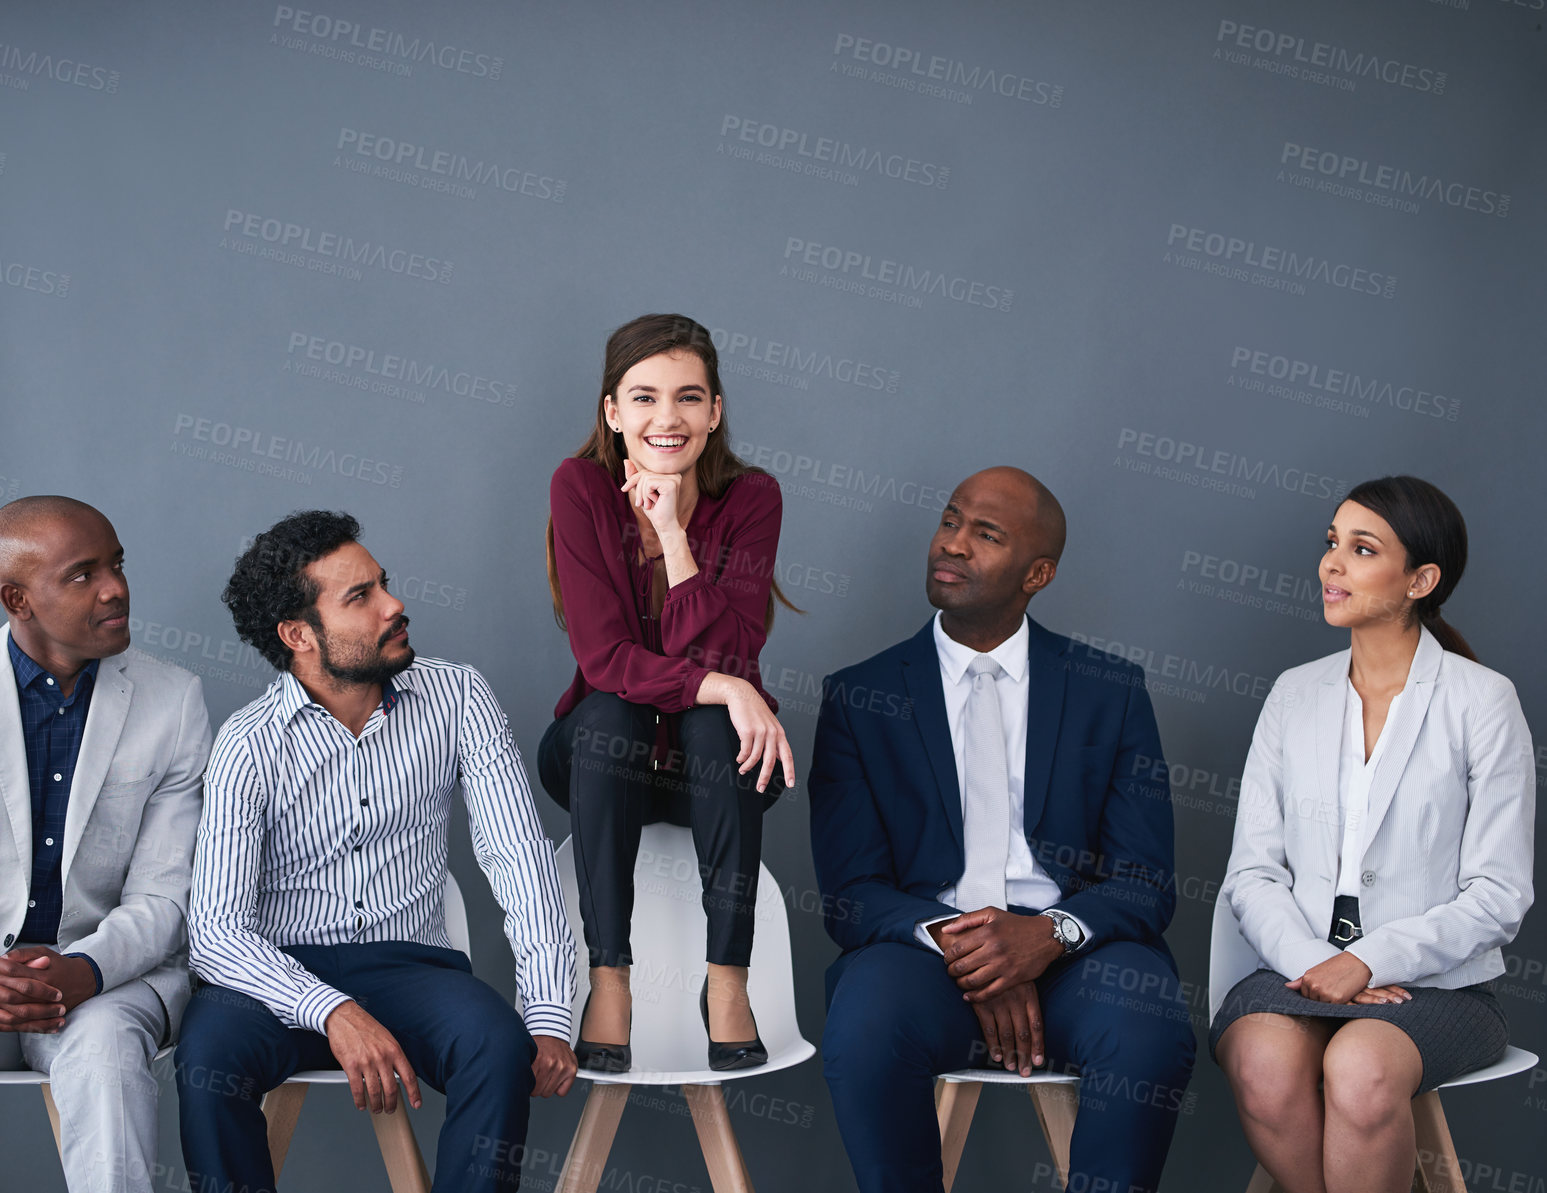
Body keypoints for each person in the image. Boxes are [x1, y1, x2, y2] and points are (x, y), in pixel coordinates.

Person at [811, 467, 1195, 1193]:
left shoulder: (1108, 691)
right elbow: (851, 896)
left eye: (984, 534)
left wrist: (1046, 935)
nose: (951, 544)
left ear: (1037, 572)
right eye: (950, 520)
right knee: (862, 1031)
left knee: (1149, 1034)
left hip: (1077, 951)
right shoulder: (859, 696)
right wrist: (973, 948)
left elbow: (1144, 882)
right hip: (922, 949)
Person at [176, 510, 576, 1193]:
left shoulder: (459, 696)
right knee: (207, 1059)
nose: (395, 606)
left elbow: (518, 857)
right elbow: (214, 933)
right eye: (360, 597)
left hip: (412, 966)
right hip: (278, 976)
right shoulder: (248, 743)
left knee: (497, 1045)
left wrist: (548, 1011)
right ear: (299, 635)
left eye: (382, 583)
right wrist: (330, 1008)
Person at [0, 496, 210, 1193]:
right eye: (83, 574)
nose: (115, 587)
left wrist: (81, 970)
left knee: (110, 1057)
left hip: (107, 983)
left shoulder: (173, 700)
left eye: (115, 564)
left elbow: (165, 895)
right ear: (16, 597)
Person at [1213, 476, 1534, 1193]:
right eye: (1332, 543)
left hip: (1437, 988)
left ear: (1421, 578)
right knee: (1262, 1064)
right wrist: (1311, 962)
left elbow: (1499, 894)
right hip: (1295, 972)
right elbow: (1252, 873)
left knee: (1357, 1070)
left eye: (1361, 548)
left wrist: (1368, 960)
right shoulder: (1293, 693)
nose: (1331, 563)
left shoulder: (1482, 702)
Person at [540, 313, 795, 1073]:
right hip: (596, 759)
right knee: (618, 707)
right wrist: (724, 685)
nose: (666, 418)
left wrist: (676, 536)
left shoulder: (751, 498)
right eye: (643, 397)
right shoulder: (579, 486)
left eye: (688, 398)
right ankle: (608, 979)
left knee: (717, 723)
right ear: (612, 411)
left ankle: (726, 982)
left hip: (713, 775)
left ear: (714, 411)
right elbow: (606, 657)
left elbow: (730, 647)